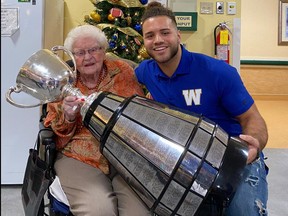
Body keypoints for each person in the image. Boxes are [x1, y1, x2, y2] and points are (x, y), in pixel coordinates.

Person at [135, 2, 269, 216]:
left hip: (234, 157)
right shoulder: (145, 72)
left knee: (242, 212)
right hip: (189, 163)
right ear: (143, 41)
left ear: (178, 35)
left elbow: (253, 119)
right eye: (150, 35)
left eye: (165, 32)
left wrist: (253, 146)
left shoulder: (218, 72)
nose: (158, 40)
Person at [44, 24, 152, 216]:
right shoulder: (62, 80)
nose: (87, 57)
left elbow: (140, 111)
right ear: (72, 56)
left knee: (139, 212)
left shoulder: (123, 71)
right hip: (80, 155)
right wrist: (68, 116)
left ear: (104, 50)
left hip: (124, 155)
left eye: (94, 49)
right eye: (80, 52)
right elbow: (56, 129)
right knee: (99, 210)